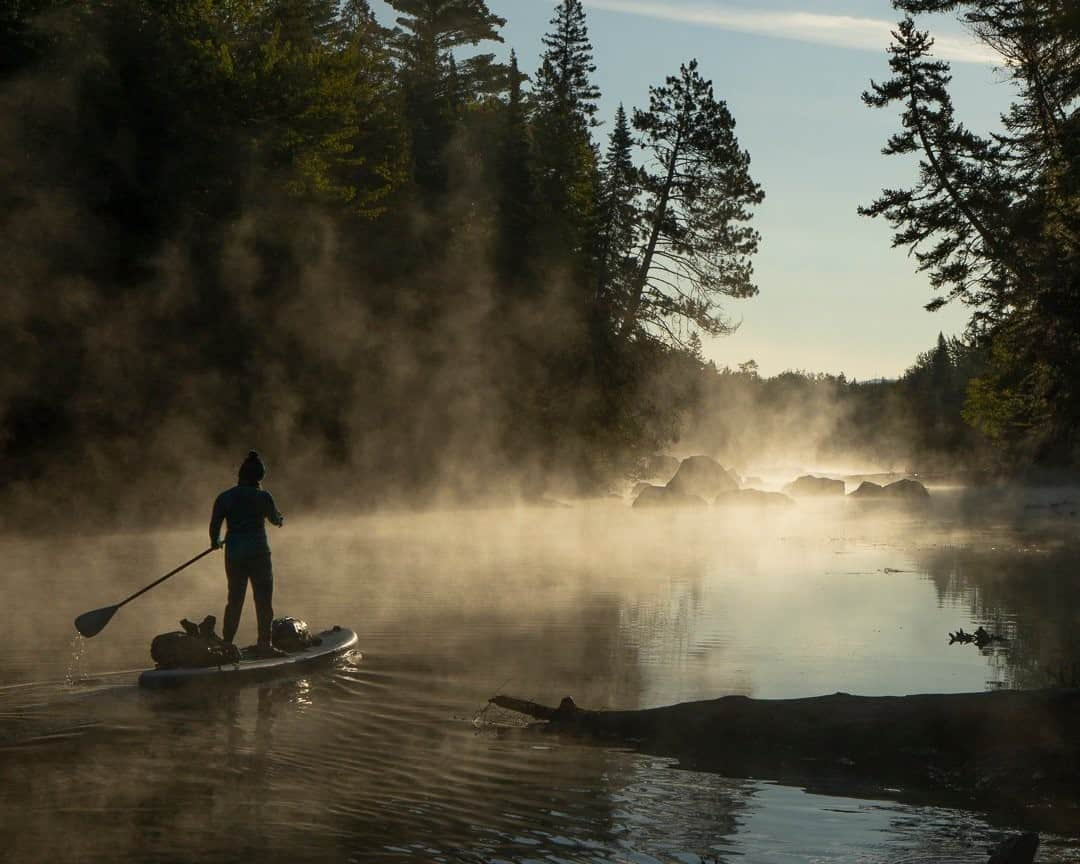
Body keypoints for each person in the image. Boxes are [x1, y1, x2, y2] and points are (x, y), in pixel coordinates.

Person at [209, 450, 286, 657]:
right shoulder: (263, 496)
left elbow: (215, 525)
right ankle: (265, 644)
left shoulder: (224, 497)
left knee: (234, 600)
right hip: (259, 554)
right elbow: (274, 519)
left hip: (234, 554)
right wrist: (279, 519)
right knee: (263, 600)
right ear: (259, 477)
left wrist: (215, 542)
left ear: (240, 476)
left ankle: (227, 644)